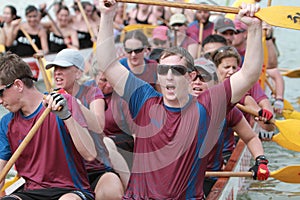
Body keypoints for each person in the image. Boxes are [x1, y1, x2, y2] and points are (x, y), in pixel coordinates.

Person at [96, 1, 268, 198]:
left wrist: (254, 28)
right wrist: (107, 15)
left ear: (191, 76)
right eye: (162, 70)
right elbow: (108, 64)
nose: (168, 76)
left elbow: (249, 74)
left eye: (176, 70)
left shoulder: (208, 106)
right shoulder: (144, 99)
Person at [0, 52, 96, 199]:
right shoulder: (6, 123)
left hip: (70, 190)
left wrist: (66, 116)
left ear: (18, 85)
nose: (0, 101)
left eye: (0, 93)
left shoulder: (62, 103)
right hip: (31, 192)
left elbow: (90, 154)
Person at [45, 49, 124, 199]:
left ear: (78, 73)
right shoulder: (49, 99)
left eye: (63, 68)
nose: (57, 72)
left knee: (111, 191)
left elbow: (99, 125)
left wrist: (74, 103)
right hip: (66, 175)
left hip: (96, 169)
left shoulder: (92, 93)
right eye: (55, 68)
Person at [191, 58, 268, 196]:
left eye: (203, 77)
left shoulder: (227, 110)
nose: (197, 81)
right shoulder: (171, 107)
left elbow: (250, 137)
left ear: (215, 83)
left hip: (209, 177)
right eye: (192, 76)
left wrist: (260, 160)